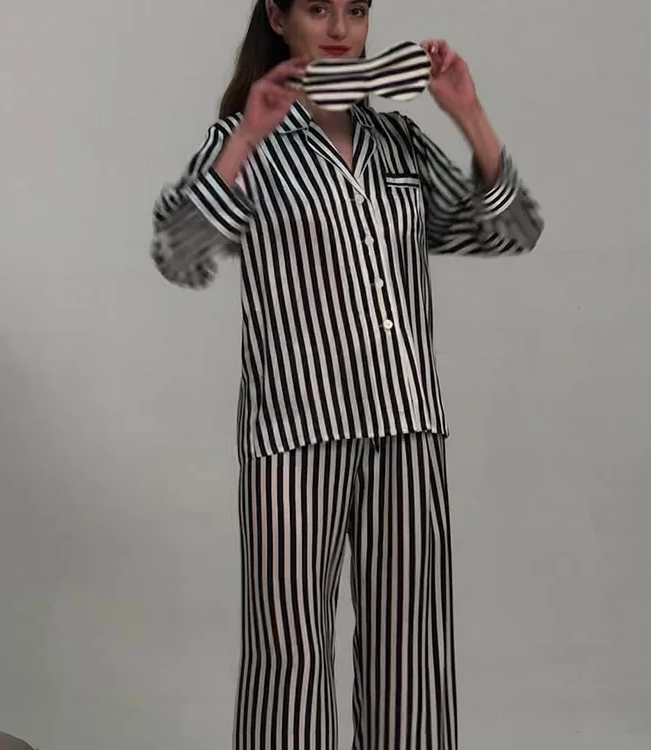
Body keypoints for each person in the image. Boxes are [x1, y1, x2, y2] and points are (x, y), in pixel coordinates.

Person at [150, 1, 544, 748]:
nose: (339, 30)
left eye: (355, 11)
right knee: (289, 658)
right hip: (296, 434)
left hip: (406, 425)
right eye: (318, 9)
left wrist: (468, 114)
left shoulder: (399, 142)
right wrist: (248, 136)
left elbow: (512, 230)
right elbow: (178, 251)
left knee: (411, 652)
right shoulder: (248, 142)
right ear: (279, 18)